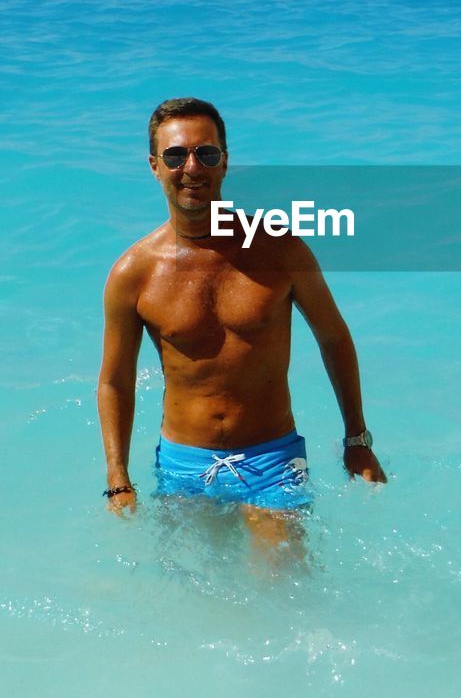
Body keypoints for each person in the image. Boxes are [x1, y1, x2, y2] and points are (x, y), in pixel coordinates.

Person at [96, 97, 386, 561]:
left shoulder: (280, 250)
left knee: (285, 589)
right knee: (199, 604)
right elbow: (114, 381)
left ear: (225, 161)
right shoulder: (134, 274)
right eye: (176, 155)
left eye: (206, 153)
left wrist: (357, 440)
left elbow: (333, 337)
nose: (192, 166)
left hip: (273, 460)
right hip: (184, 465)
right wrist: (118, 480)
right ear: (154, 166)